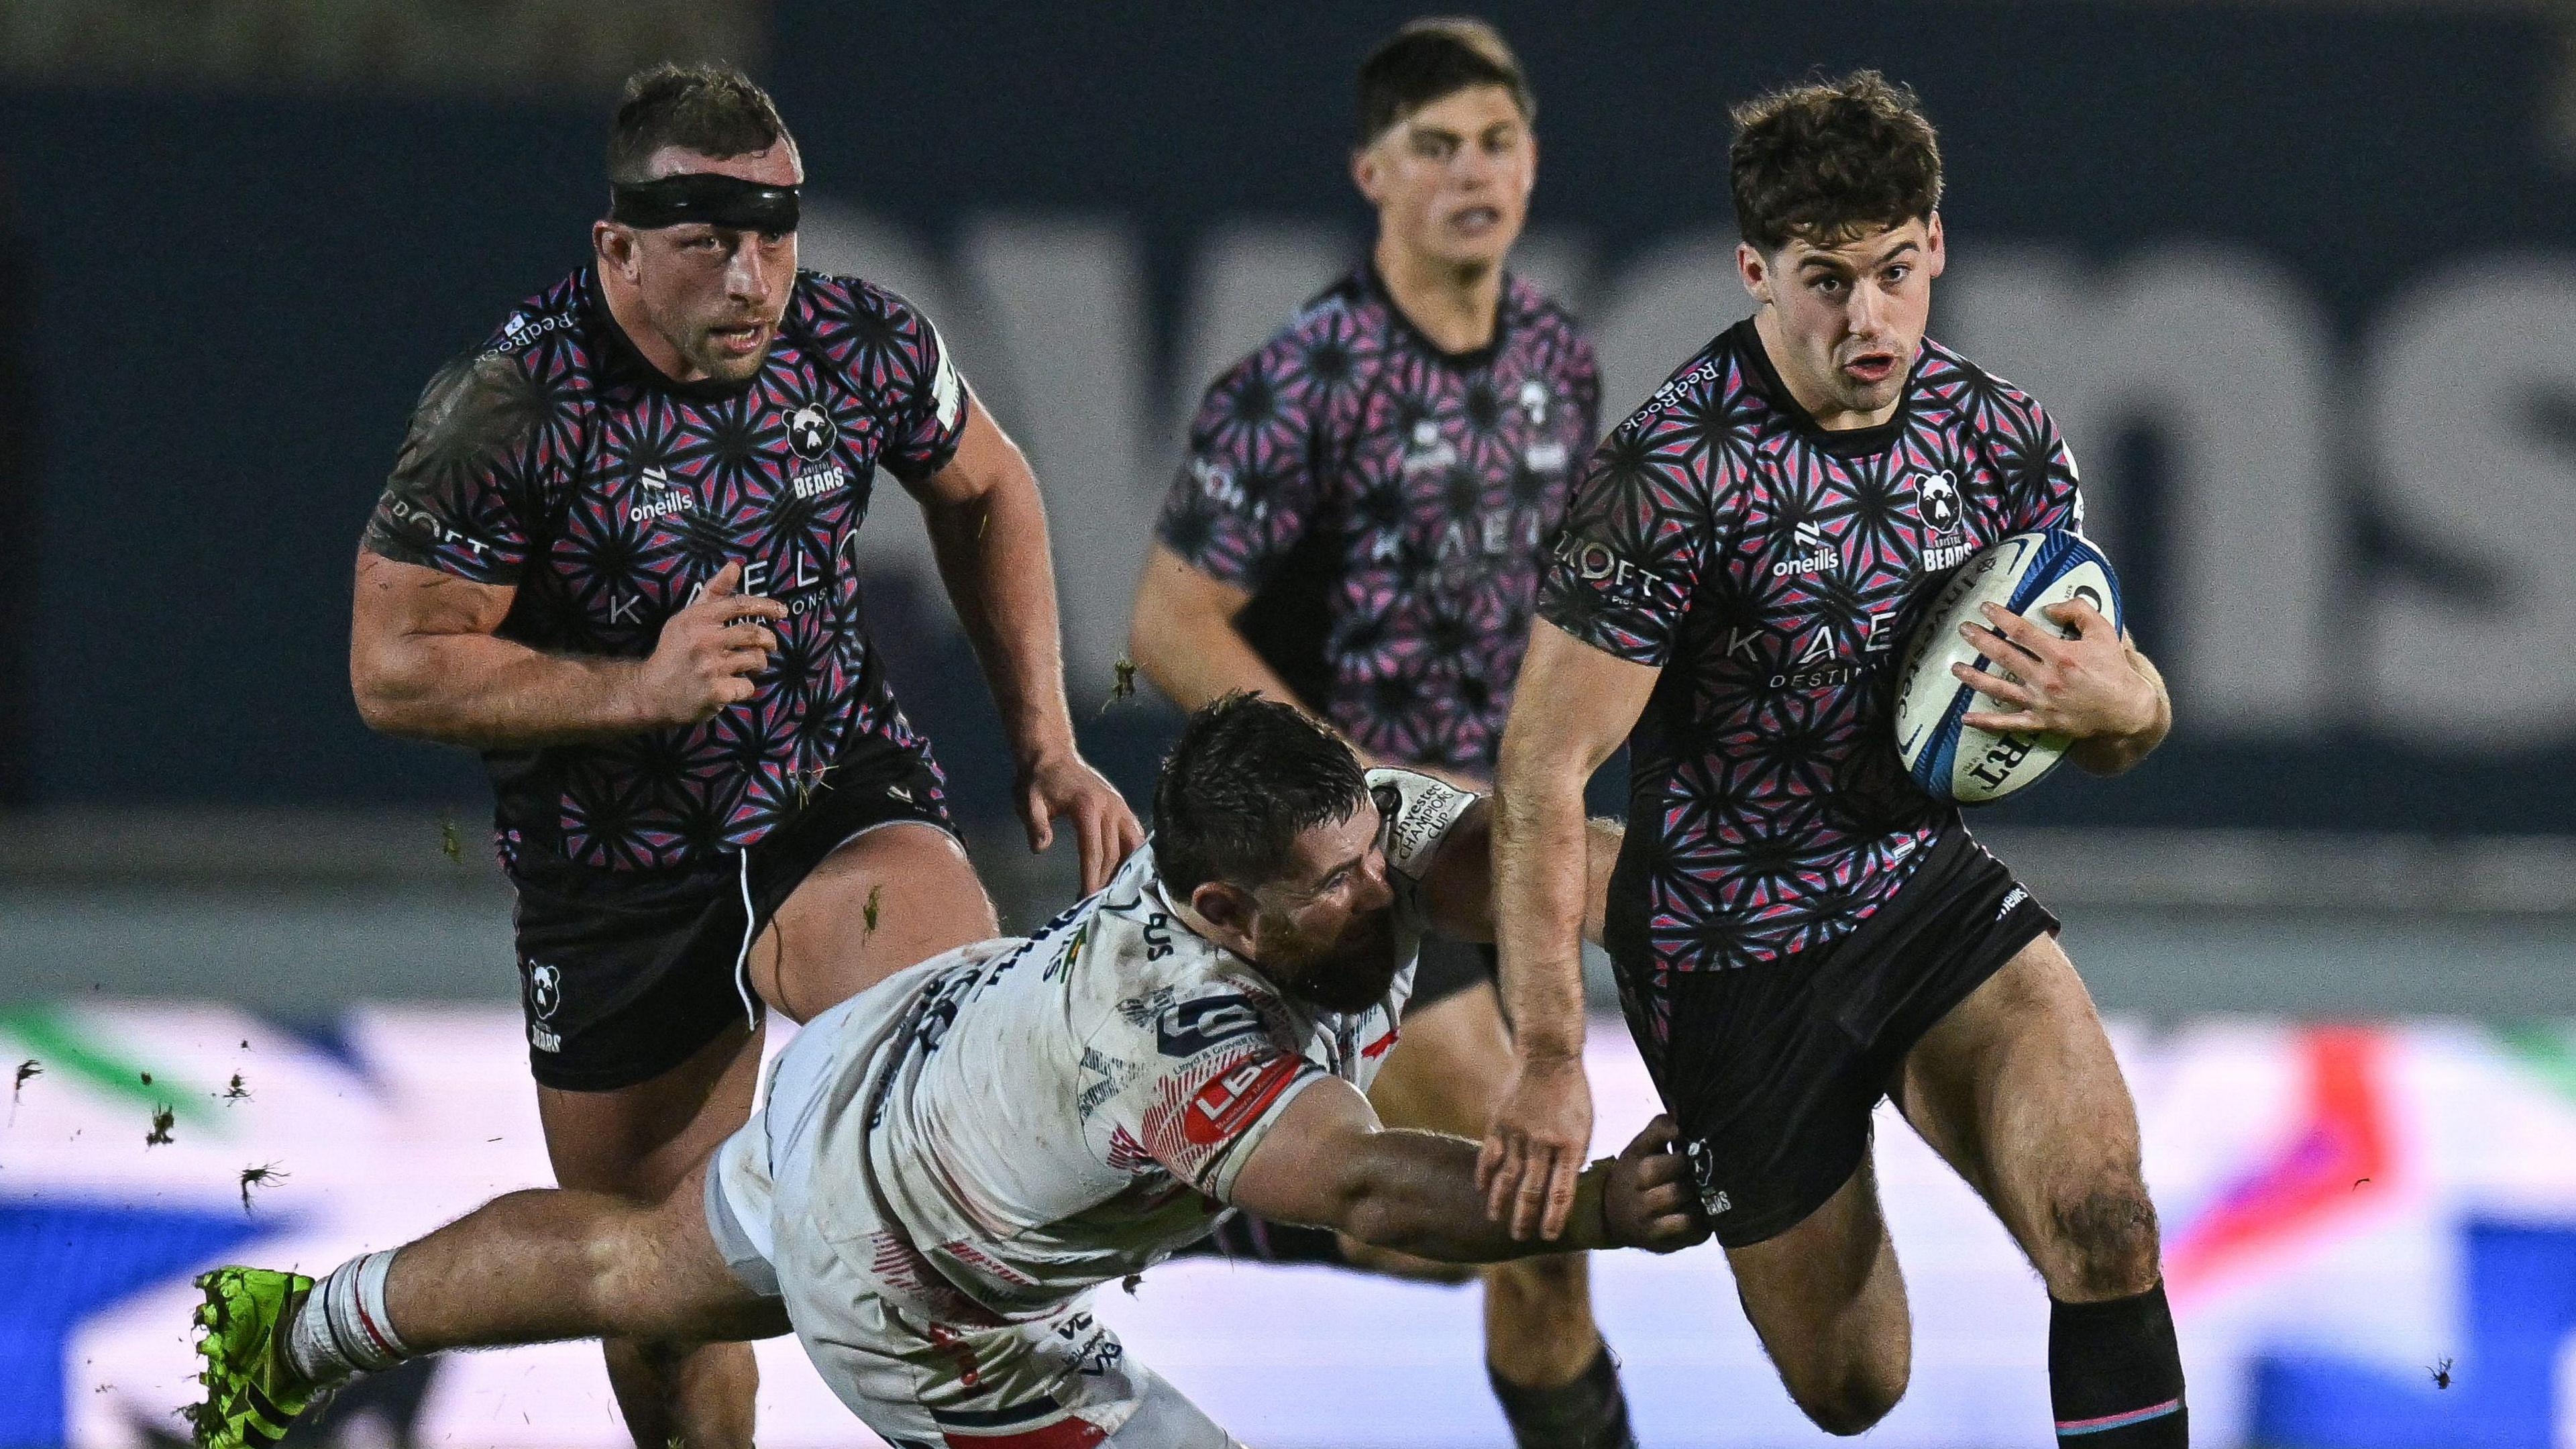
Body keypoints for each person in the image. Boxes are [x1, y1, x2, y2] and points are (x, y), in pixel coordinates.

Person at [188, 694, 1705, 1449]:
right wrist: (1594, 1207)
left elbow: (1537, 859)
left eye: (1374, 854)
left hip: (888, 1066)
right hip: (918, 1292)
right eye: (1340, 887)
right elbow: (1367, 1187)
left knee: (634, 1266)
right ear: (1225, 913)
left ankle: (296, 1331)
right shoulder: (1175, 1047)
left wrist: (1737, 909)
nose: (1382, 893)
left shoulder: (1322, 824)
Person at [345, 62, 1138, 1447]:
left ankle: (1025, 1374)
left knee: (948, 1070)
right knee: (662, 1316)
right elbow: (394, 664)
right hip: (616, 877)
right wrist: (637, 690)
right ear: (619, 249)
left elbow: (990, 487)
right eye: (710, 243)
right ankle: (332, 1331)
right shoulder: (509, 407)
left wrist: (1046, 739)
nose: (753, 279)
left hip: (831, 796)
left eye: (774, 237)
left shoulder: (856, 340)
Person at [1483, 72, 2187, 1444]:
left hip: (1921, 894)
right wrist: (1553, 1056)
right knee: (1854, 1388)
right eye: (1826, 281)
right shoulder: (1671, 477)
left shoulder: (1999, 438)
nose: (1868, 319)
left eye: (1895, 272)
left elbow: (2115, 717)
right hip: (1730, 955)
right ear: (1756, 270)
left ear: (1938, 246)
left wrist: (2132, 708)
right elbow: (1542, 773)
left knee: (2107, 1221)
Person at [1127, 21, 1626, 1446]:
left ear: (1532, 162)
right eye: (1435, 147)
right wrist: (1354, 796)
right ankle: (1177, 1180)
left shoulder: (1556, 359)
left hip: (1490, 843)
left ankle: (1198, 1191)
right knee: (1528, 1206)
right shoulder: (1303, 381)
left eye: (1496, 143)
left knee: (1473, 1240)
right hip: (1360, 862)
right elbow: (1168, 623)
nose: (1472, 173)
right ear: (1373, 175)